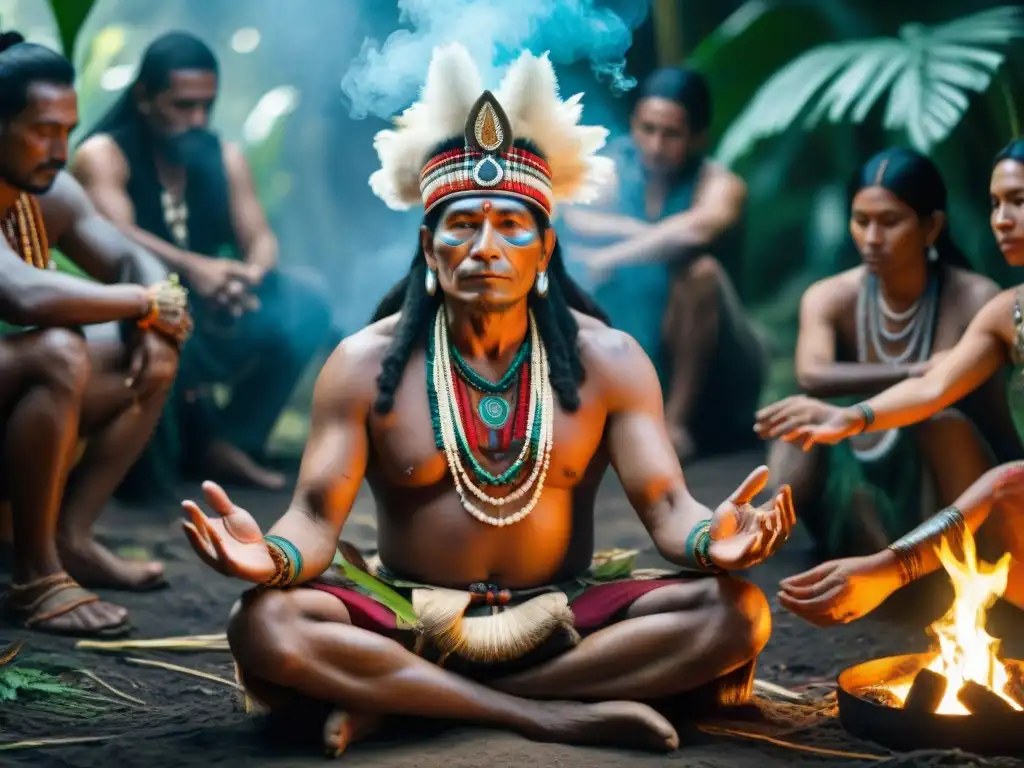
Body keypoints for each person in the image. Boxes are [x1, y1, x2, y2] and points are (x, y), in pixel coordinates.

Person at [181, 45, 794, 756]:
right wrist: (274, 558)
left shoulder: (611, 361)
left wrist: (710, 539)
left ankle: (411, 700)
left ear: (545, 248)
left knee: (736, 614)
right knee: (263, 624)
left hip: (565, 610)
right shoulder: (362, 364)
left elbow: (664, 503)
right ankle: (552, 713)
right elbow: (316, 514)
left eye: (511, 226)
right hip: (403, 612)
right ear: (428, 244)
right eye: (462, 225)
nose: (484, 247)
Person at [759, 139, 1024, 622]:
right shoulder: (1007, 311)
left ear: (932, 227)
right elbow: (928, 385)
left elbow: (945, 400)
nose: (1002, 218)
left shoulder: (972, 295)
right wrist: (846, 417)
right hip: (978, 488)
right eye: (995, 204)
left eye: (1019, 202)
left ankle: (918, 574)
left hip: (986, 483)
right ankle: (759, 532)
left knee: (981, 461)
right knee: (803, 418)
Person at [72, 31, 334, 492]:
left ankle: (232, 441)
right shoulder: (105, 155)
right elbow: (118, 240)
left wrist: (250, 277)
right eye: (182, 106)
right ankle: (168, 452)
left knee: (305, 297)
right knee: (159, 314)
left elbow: (259, 237)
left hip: (213, 308)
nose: (196, 120)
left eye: (204, 107)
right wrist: (196, 269)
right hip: (140, 311)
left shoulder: (223, 156)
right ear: (144, 97)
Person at [0, 34, 191, 636]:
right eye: (41, 130)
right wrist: (148, 304)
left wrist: (156, 329)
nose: (60, 149)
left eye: (67, 130)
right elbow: (23, 294)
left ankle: (71, 539)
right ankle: (36, 577)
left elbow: (133, 258)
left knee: (145, 351)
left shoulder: (46, 193)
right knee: (59, 348)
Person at [560, 67, 766, 462]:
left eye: (670, 134)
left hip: (721, 380)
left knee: (699, 275)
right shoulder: (613, 168)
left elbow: (696, 232)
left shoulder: (719, 183)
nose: (655, 145)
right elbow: (574, 217)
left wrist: (609, 254)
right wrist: (636, 229)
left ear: (698, 137)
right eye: (647, 128)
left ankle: (675, 425)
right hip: (642, 358)